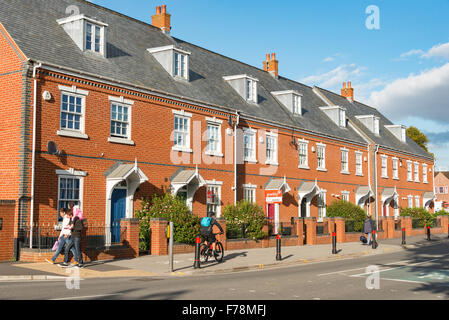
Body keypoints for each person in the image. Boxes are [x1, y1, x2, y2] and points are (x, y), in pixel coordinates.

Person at [61, 203, 85, 267]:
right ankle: (65, 262)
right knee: (67, 248)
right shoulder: (71, 220)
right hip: (72, 236)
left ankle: (81, 263)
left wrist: (73, 227)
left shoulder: (78, 220)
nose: (67, 217)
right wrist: (68, 227)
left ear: (71, 215)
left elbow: (80, 228)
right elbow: (69, 225)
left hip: (77, 237)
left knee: (78, 250)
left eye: (68, 216)